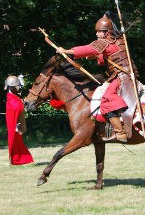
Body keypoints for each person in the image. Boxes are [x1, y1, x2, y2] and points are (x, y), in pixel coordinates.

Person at [56, 12, 139, 142]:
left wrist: (67, 51)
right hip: (128, 76)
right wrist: (96, 56)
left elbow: (87, 49)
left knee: (106, 99)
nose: (97, 34)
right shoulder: (119, 41)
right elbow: (108, 55)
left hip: (121, 77)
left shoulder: (104, 43)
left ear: (107, 32)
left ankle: (120, 131)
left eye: (99, 32)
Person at [5, 75, 34, 165]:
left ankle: (20, 159)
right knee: (14, 140)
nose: (19, 88)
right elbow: (16, 107)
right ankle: (15, 159)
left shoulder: (14, 98)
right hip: (15, 124)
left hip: (17, 123)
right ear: (13, 87)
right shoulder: (12, 100)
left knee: (18, 141)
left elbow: (19, 105)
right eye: (18, 86)